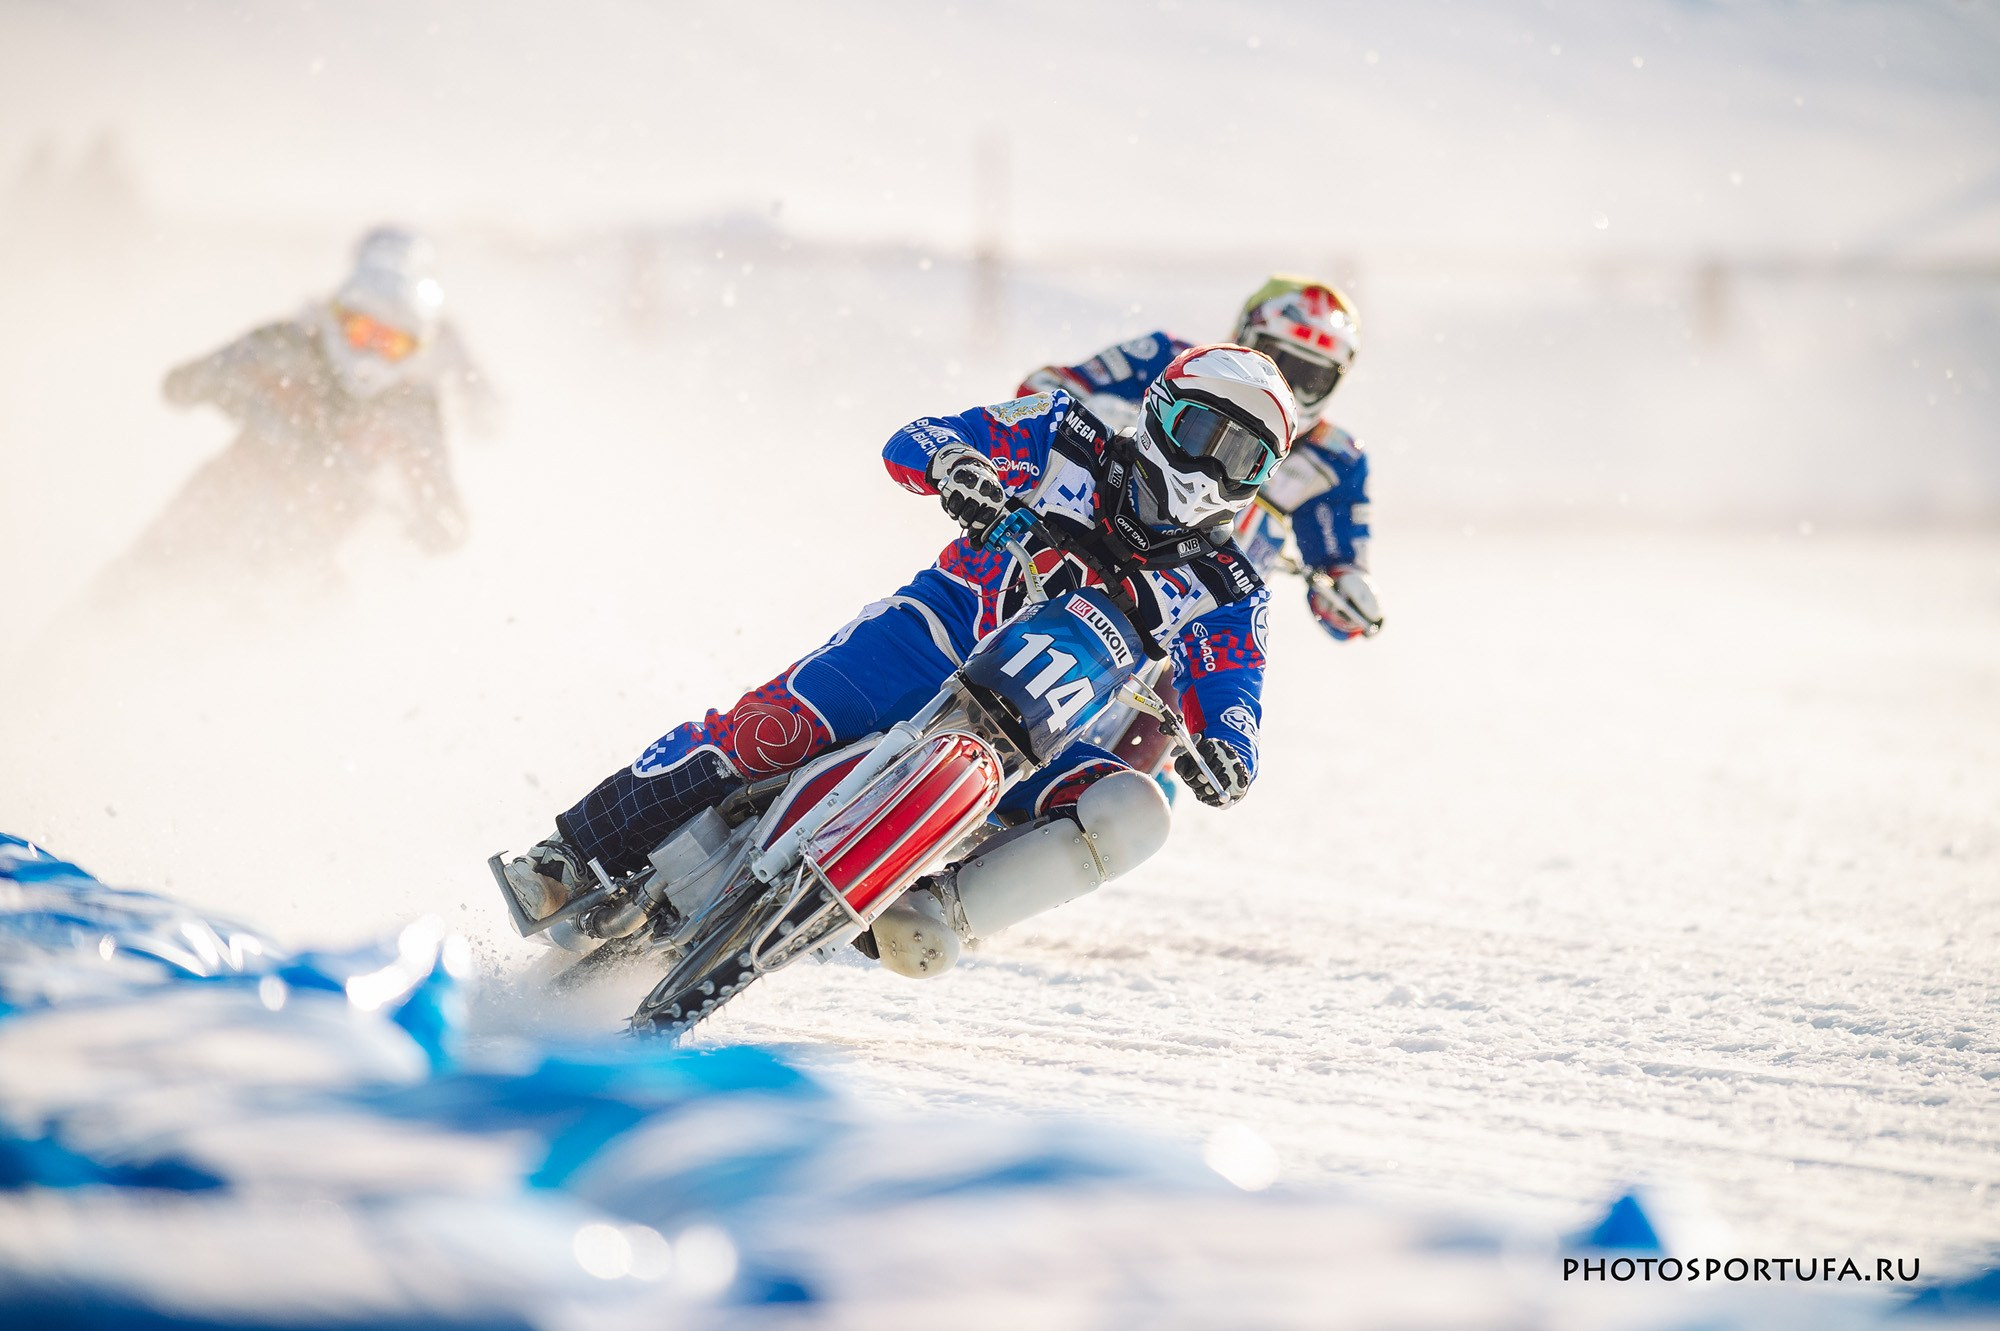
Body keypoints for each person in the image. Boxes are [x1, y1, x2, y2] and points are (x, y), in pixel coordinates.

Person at [501, 345, 1296, 976]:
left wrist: (1229, 753)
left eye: (1245, 460)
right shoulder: (1065, 433)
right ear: (1160, 412)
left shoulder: (1230, 587)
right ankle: (570, 854)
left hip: (1039, 735)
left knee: (1136, 813)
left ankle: (933, 914)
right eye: (1203, 436)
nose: (1212, 473)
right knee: (764, 733)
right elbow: (919, 438)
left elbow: (1234, 690)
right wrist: (958, 468)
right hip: (924, 641)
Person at [99, 226, 490, 599]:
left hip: (303, 567)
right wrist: (248, 384)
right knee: (108, 614)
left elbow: (449, 519)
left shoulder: (411, 408)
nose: (371, 351)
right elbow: (179, 387)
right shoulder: (286, 347)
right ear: (338, 316)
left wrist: (418, 516)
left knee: (329, 642)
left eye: (391, 343)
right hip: (206, 522)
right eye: (361, 331)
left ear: (416, 348)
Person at [1020, 275, 1381, 645]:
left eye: (1311, 379)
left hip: (1190, 625)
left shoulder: (1337, 459)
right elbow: (1037, 391)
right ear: (1242, 337)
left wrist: (1344, 590)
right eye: (1278, 360)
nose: (1280, 384)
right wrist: (1104, 415)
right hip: (1065, 543)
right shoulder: (1170, 360)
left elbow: (1340, 574)